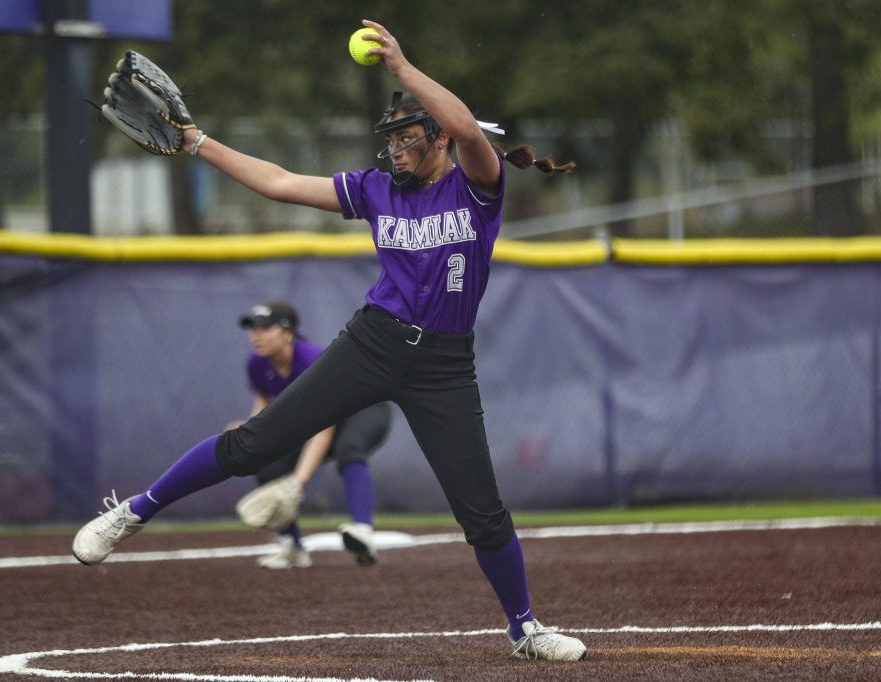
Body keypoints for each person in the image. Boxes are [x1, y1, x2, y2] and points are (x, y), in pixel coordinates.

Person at [73, 19, 586, 662]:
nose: (395, 149)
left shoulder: (476, 186)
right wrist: (199, 142)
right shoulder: (377, 191)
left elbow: (464, 129)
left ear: (437, 140)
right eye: (391, 139)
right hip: (374, 343)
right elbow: (282, 183)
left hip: (445, 366)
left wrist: (401, 67)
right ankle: (134, 513)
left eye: (407, 137)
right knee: (254, 443)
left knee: (481, 512)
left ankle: (525, 630)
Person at [231, 300, 390, 569]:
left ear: (287, 333)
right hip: (323, 419)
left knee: (349, 449)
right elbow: (265, 401)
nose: (255, 335)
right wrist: (249, 432)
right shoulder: (257, 364)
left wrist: (298, 482)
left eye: (265, 328)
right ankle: (292, 547)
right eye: (253, 328)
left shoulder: (311, 361)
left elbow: (323, 432)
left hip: (363, 409)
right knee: (265, 457)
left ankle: (363, 531)